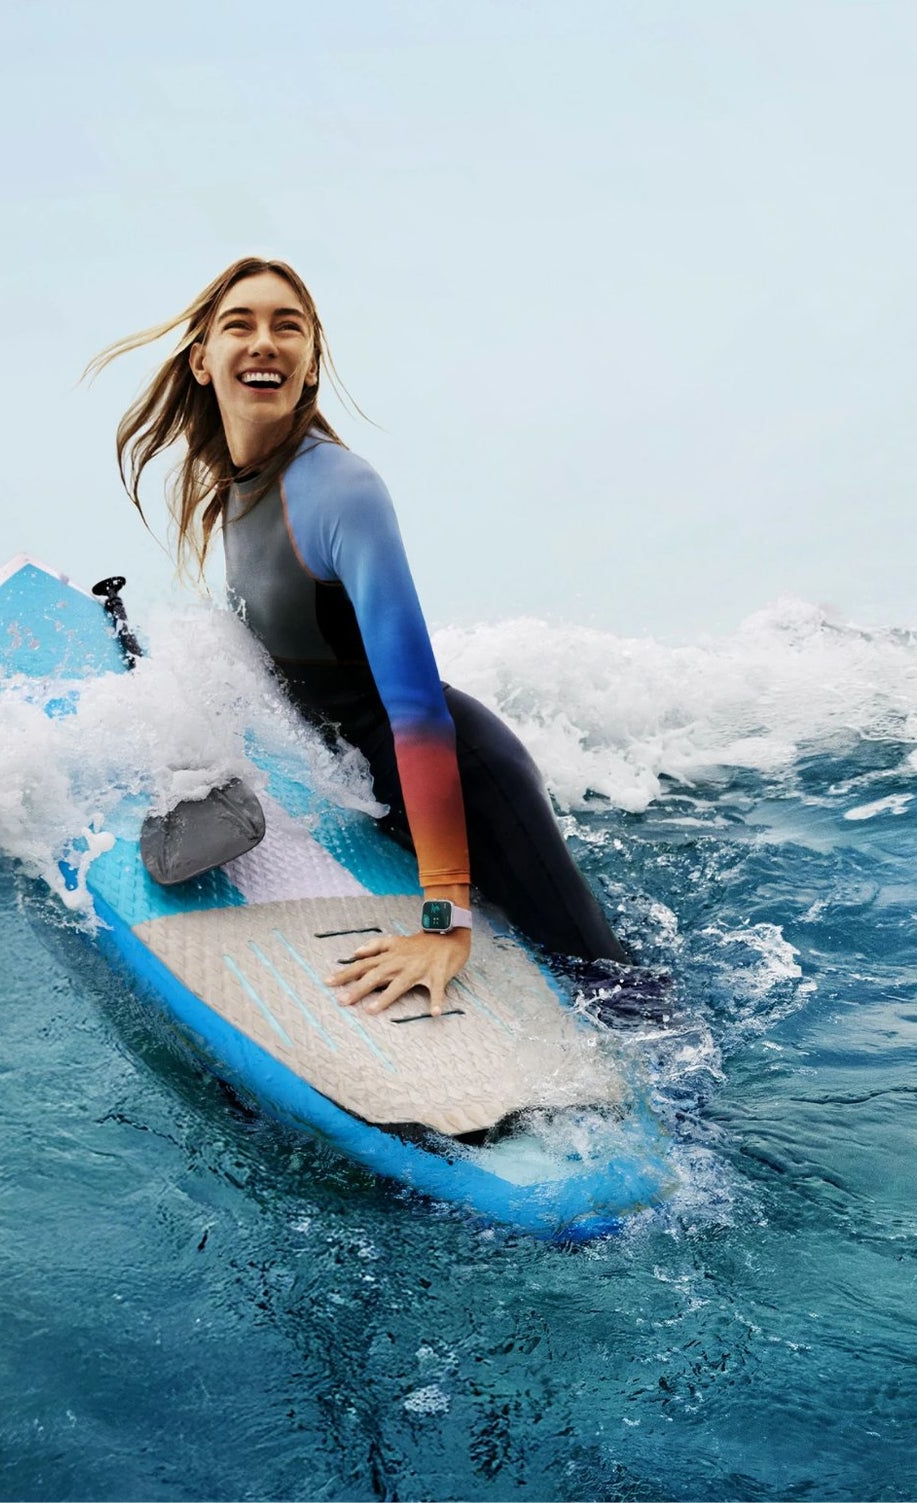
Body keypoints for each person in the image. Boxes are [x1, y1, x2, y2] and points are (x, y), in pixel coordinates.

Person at [85, 256, 626, 1017]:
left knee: (614, 988)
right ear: (202, 360)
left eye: (288, 327)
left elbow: (417, 712)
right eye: (239, 325)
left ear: (310, 365)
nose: (264, 342)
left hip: (466, 784)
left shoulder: (342, 489)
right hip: (382, 789)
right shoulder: (238, 484)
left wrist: (443, 921)